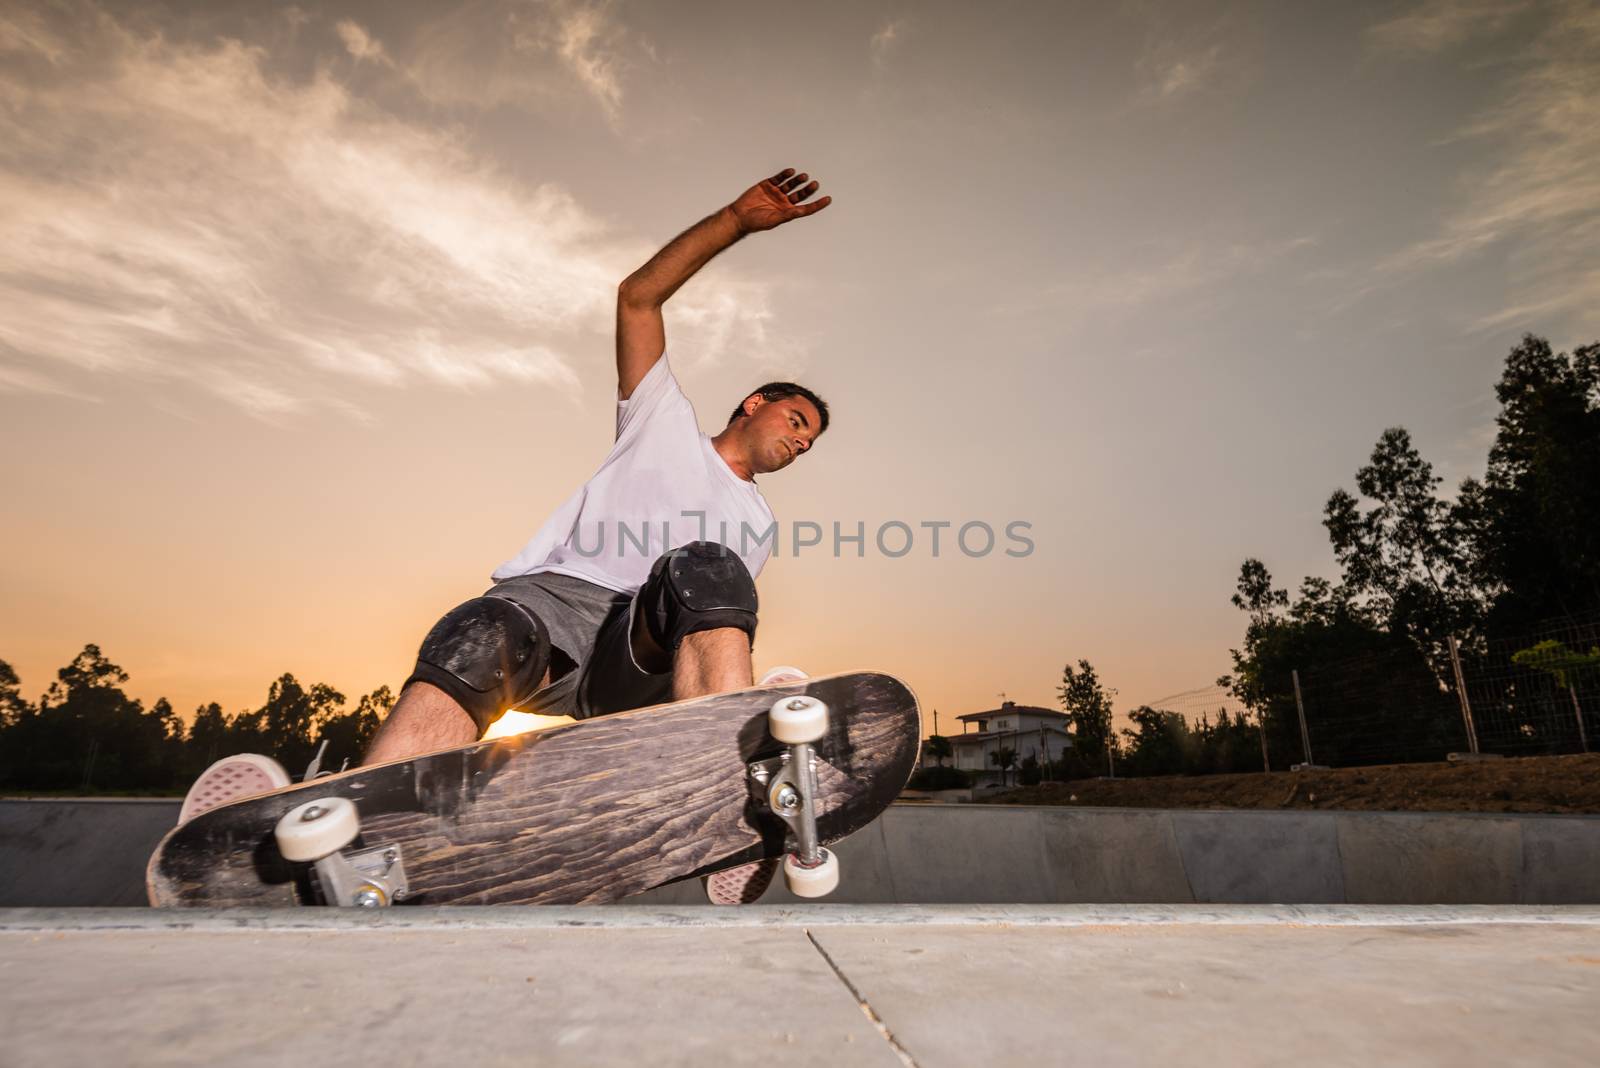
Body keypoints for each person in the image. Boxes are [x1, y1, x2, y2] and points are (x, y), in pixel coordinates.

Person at [180, 167, 834, 903]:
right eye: (798, 422)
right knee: (480, 631)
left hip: (637, 650)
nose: (801, 443)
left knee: (710, 569)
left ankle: (725, 785)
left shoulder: (757, 523)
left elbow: (714, 633)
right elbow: (638, 296)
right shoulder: (662, 421)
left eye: (810, 443)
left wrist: (734, 700)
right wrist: (736, 222)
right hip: (551, 613)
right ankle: (355, 828)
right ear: (756, 403)